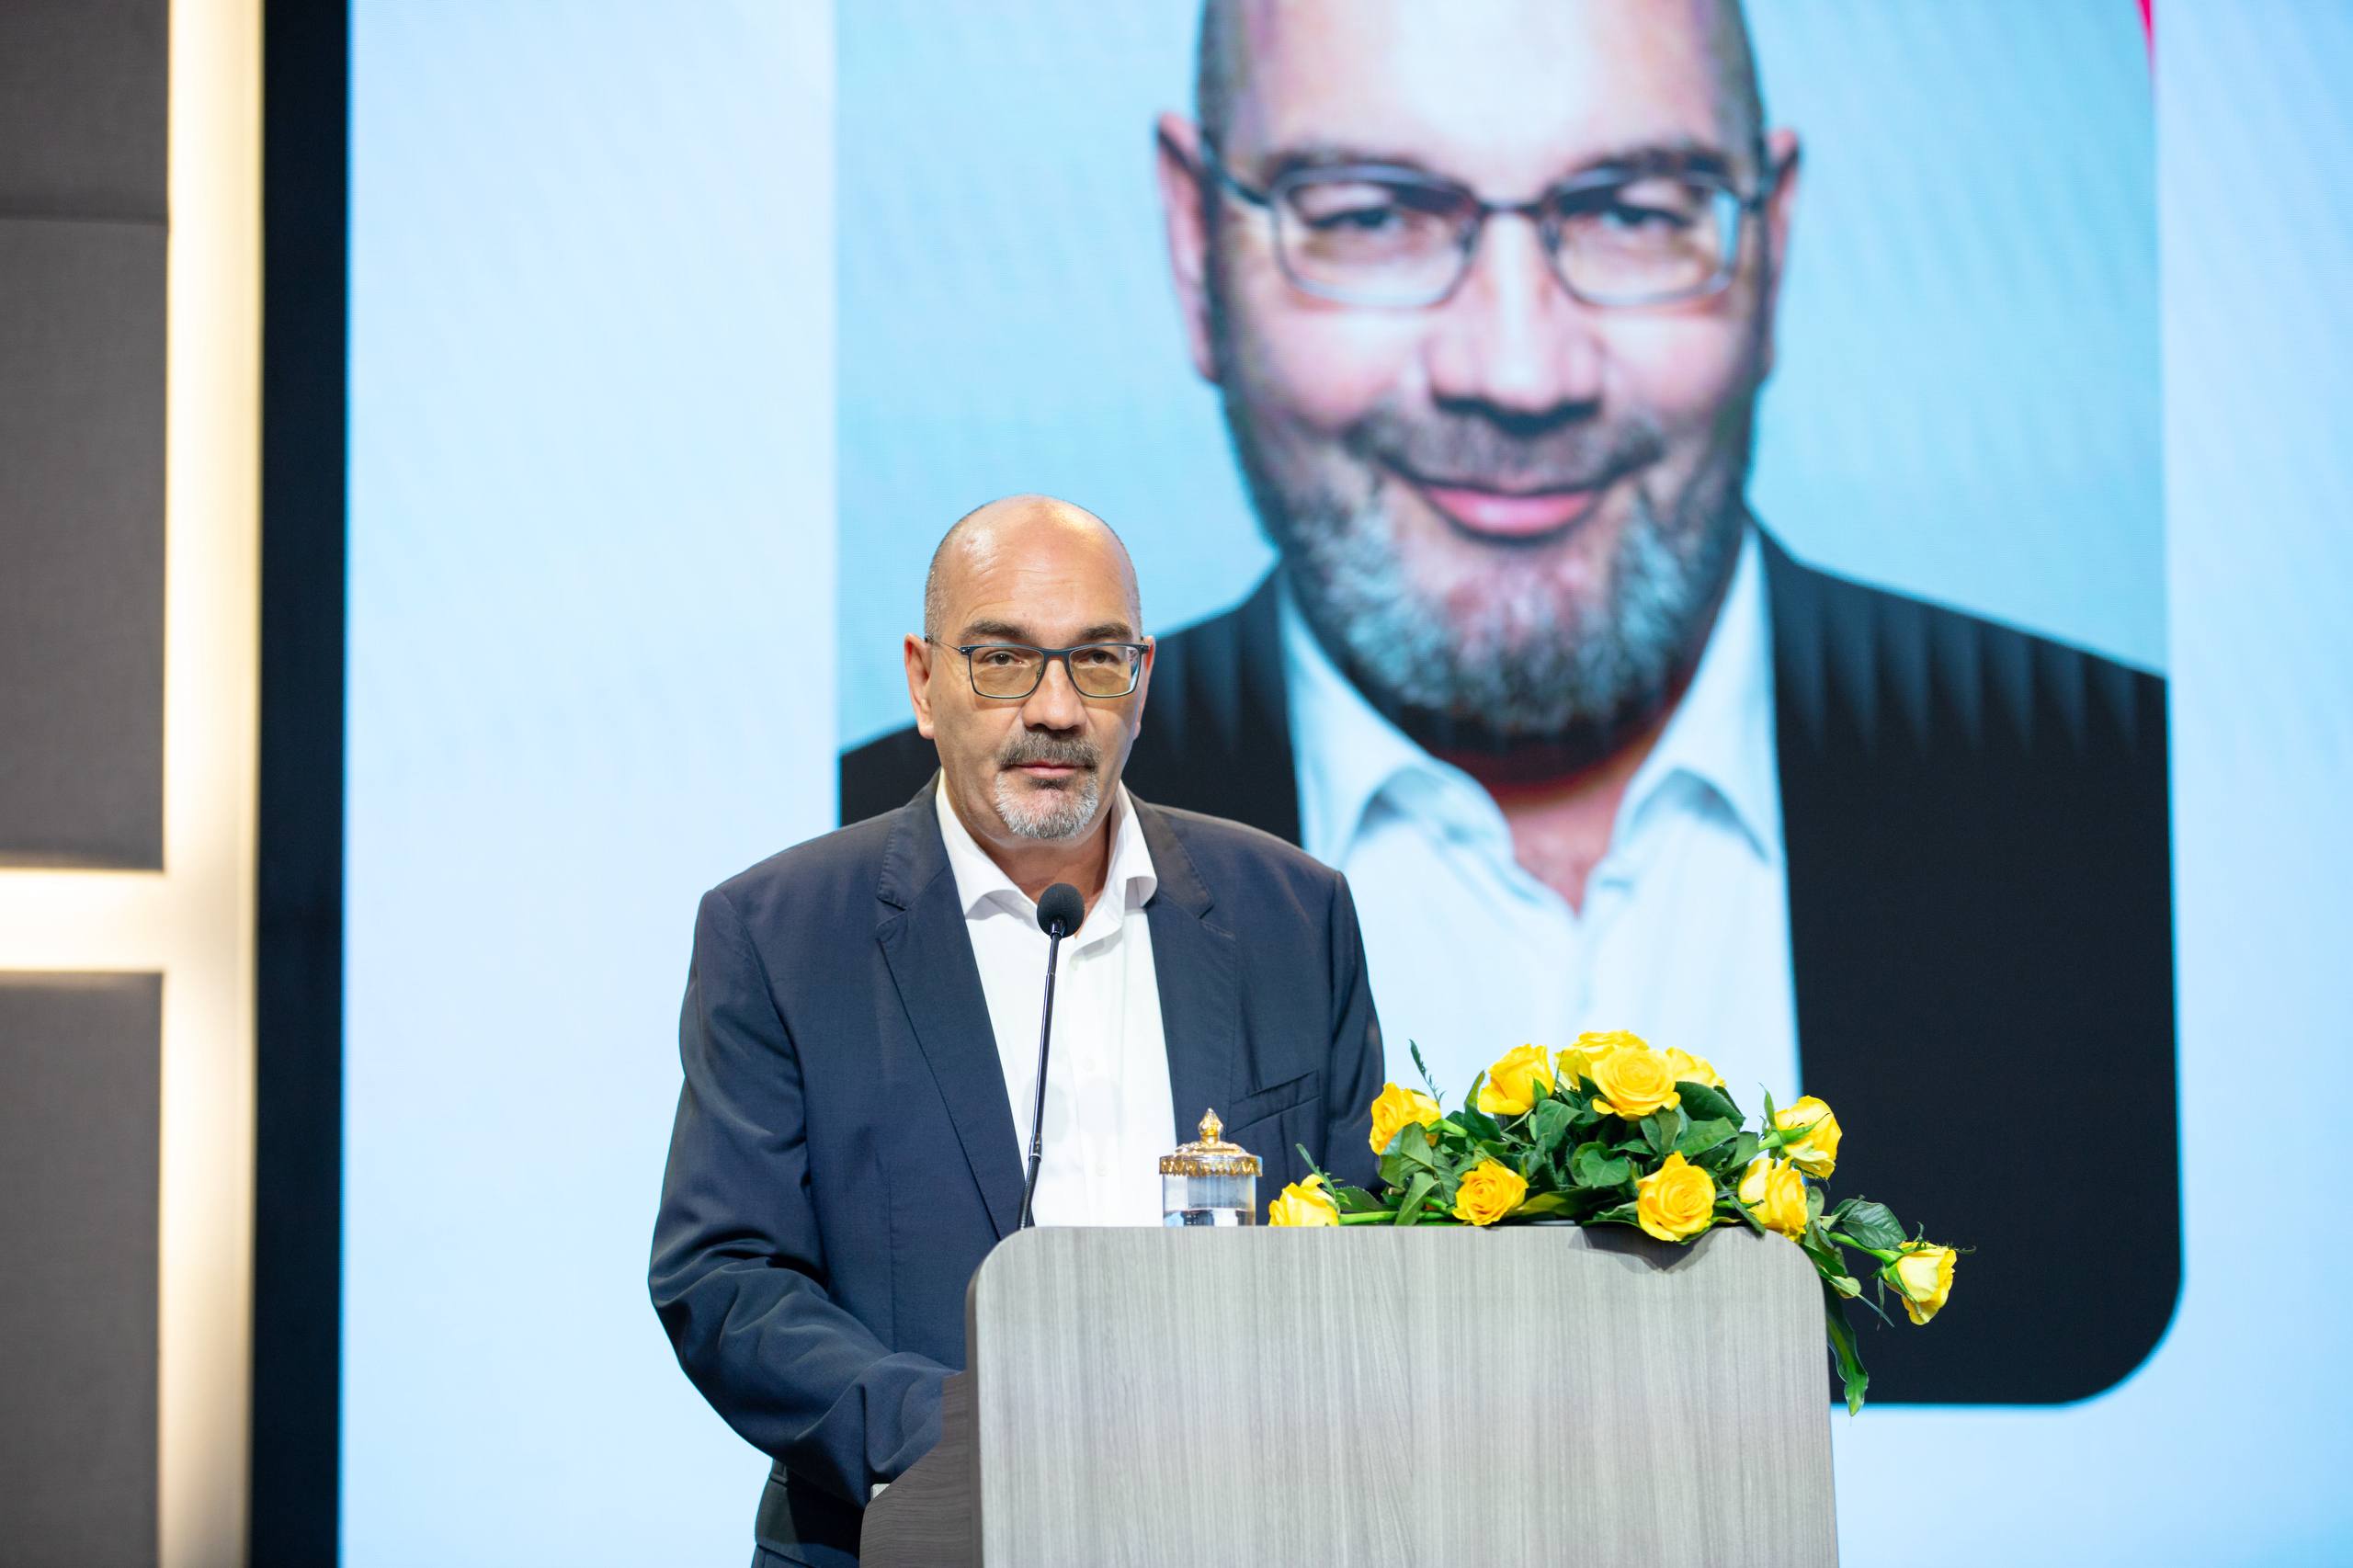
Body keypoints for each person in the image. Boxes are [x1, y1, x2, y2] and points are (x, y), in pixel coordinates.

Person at [842, 0, 2177, 1405]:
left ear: (1772, 240)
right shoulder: (879, 859)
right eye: (1369, 217)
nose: (1517, 371)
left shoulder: (2129, 812)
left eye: (1633, 213)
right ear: (1195, 244)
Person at [654, 494, 1384, 1567]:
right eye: (1001, 660)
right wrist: (970, 1438)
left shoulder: (1291, 912)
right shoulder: (779, 932)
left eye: (1096, 659)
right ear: (922, 680)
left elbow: (1369, 1233)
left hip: (1234, 1525)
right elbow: (726, 1276)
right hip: (910, 1530)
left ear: (1142, 680)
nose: (1055, 708)